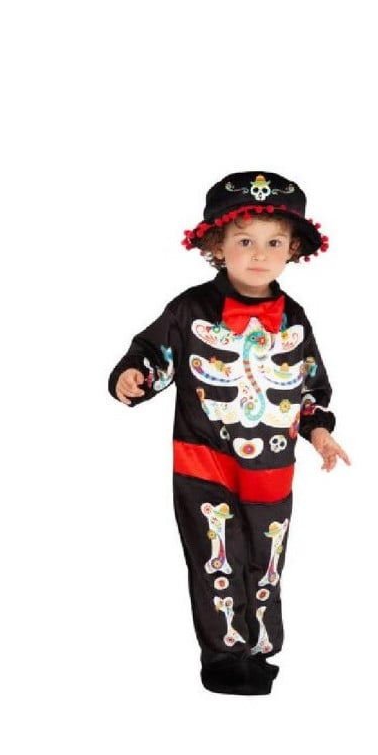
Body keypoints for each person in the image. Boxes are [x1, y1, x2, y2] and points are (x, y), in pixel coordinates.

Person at [108, 171, 350, 695]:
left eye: (273, 243)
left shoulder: (294, 316)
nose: (259, 254)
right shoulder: (189, 309)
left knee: (266, 559)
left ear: (292, 250)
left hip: (273, 465)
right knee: (216, 557)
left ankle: (260, 650)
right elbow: (154, 355)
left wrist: (319, 433)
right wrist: (134, 376)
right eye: (244, 241)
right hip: (205, 461)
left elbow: (309, 386)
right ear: (217, 246)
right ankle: (223, 658)